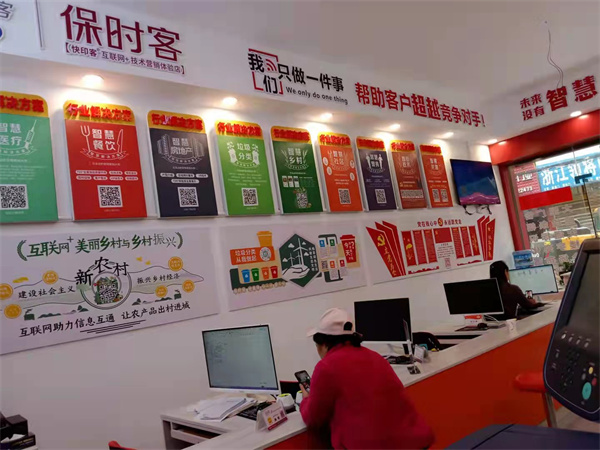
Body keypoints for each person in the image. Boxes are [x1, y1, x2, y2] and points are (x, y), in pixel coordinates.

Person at [299, 308, 435, 449]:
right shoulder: (375, 356)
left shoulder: (326, 367)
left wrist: (305, 399)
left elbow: (313, 418)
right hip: (413, 441)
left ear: (323, 343)